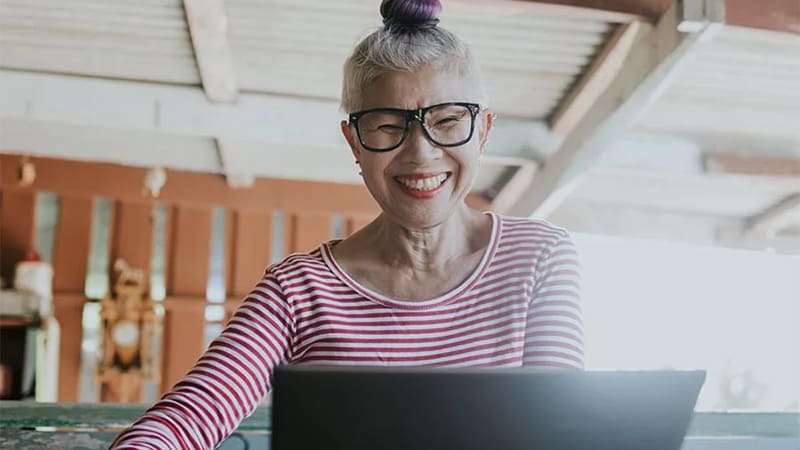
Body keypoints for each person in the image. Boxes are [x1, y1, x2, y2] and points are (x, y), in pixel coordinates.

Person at [110, 0, 583, 447]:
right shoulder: (297, 291)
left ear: (482, 130)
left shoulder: (539, 260)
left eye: (446, 120)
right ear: (354, 142)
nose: (421, 152)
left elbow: (557, 433)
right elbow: (188, 421)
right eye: (387, 125)